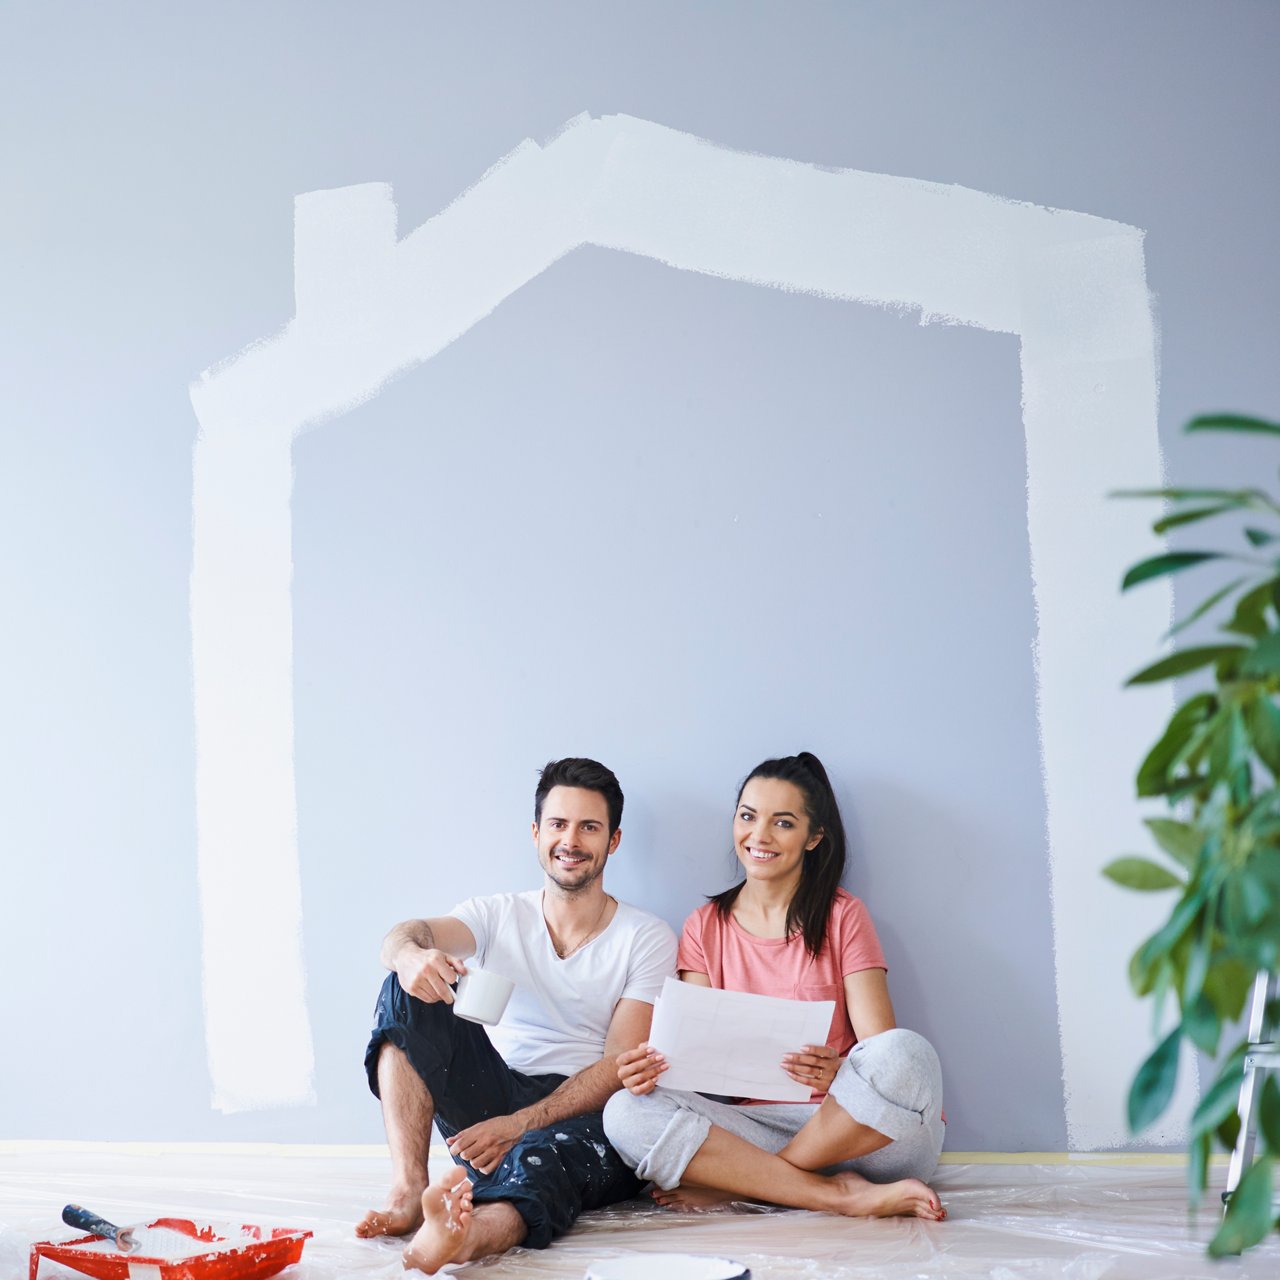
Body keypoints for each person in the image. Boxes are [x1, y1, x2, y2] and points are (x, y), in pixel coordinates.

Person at [357, 757, 678, 1274]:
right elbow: (404, 933)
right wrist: (411, 957)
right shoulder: (495, 914)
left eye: (589, 827)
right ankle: (407, 1190)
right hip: (495, 1092)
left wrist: (518, 1125)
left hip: (585, 1111)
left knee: (540, 1161)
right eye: (558, 824)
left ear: (613, 841)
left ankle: (462, 1238)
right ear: (536, 833)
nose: (570, 840)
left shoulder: (646, 937)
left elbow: (620, 1065)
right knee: (403, 988)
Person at [603, 751, 946, 1221]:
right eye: (747, 816)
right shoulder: (704, 926)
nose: (759, 835)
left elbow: (879, 1049)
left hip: (856, 1130)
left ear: (814, 837)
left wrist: (842, 1070)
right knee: (624, 1110)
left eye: (783, 823)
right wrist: (653, 1069)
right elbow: (696, 1064)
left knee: (907, 1054)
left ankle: (764, 1185)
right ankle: (835, 1195)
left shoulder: (844, 916)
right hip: (756, 1128)